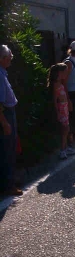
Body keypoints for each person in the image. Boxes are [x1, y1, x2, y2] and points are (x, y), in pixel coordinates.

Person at [0, 44, 23, 196]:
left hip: (8, 113)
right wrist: (5, 122)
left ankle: (9, 181)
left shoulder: (3, 73)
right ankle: (8, 185)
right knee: (7, 150)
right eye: (8, 57)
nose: (10, 60)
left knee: (9, 148)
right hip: (6, 114)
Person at [47, 63, 75, 160]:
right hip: (61, 109)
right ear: (59, 73)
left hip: (64, 108)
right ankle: (62, 150)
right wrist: (57, 112)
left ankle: (65, 147)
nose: (66, 74)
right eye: (65, 72)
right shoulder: (55, 85)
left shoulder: (60, 83)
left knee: (66, 129)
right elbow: (55, 100)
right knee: (65, 129)